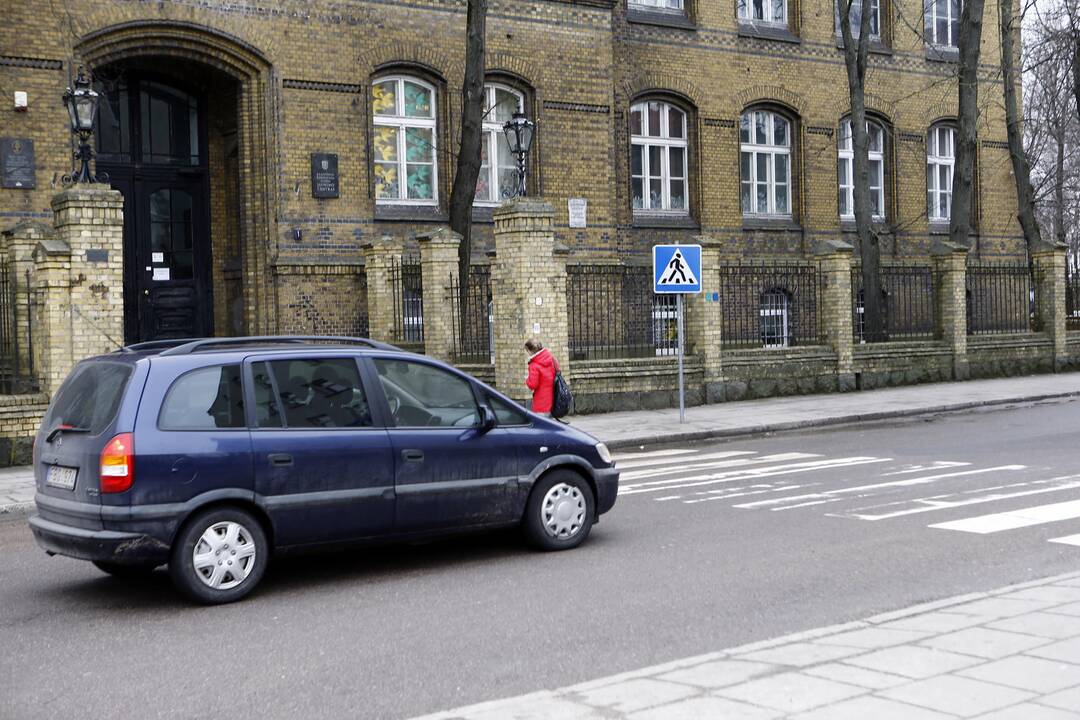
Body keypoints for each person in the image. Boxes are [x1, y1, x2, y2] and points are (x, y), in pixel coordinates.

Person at [525, 337, 558, 416]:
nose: (527, 353)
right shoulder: (551, 359)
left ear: (531, 351)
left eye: (527, 351)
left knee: (540, 425)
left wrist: (527, 380)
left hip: (540, 402)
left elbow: (533, 384)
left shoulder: (534, 365)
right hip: (552, 399)